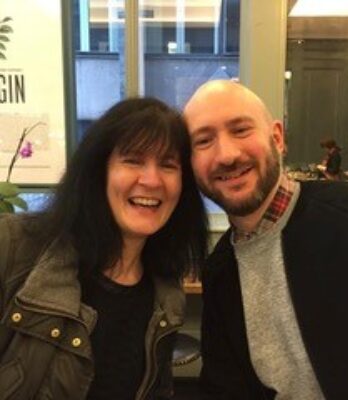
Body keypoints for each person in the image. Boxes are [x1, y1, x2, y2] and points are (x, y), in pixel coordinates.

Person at [184, 80, 348, 400]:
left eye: (241, 130)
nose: (227, 155)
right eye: (203, 141)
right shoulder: (220, 272)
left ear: (277, 138)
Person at [0, 97, 208, 400]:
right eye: (133, 160)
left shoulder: (167, 293)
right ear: (99, 171)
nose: (151, 180)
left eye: (167, 164)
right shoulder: (14, 246)